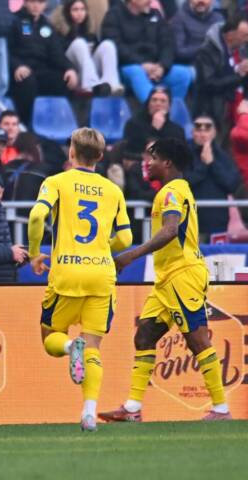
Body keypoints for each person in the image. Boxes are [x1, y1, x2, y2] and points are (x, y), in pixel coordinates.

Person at [100, 137, 232, 423]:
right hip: (167, 278)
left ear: (167, 163)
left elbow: (170, 230)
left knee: (197, 340)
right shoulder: (174, 190)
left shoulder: (172, 192)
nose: (147, 163)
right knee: (144, 335)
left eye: (153, 158)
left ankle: (221, 409)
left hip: (182, 275)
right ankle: (132, 408)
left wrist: (131, 255)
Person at [27, 127, 132, 431]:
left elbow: (36, 217)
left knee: (51, 339)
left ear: (71, 152)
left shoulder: (56, 182)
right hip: (102, 275)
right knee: (94, 346)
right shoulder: (113, 190)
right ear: (100, 156)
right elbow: (125, 238)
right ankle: (89, 412)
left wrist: (35, 253)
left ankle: (71, 345)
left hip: (67, 274)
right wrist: (102, 251)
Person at [101, 0, 193, 103]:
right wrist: (142, 64)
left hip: (156, 68)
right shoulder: (114, 16)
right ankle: (153, 110)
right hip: (128, 66)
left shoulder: (155, 14)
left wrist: (163, 66)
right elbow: (116, 46)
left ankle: (171, 112)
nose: (150, 1)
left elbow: (168, 43)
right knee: (136, 72)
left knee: (184, 74)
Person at [9, 0, 79, 126]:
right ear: (24, 3)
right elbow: (6, 51)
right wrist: (17, 66)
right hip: (21, 69)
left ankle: (56, 123)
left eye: (40, 2)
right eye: (32, 2)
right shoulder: (14, 21)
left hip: (41, 69)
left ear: (45, 5)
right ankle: (26, 124)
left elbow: (56, 53)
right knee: (28, 81)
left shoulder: (46, 25)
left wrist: (70, 68)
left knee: (63, 80)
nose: (36, 6)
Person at [186, 115, 241, 239]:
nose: (203, 133)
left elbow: (231, 185)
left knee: (217, 258)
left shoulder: (224, 157)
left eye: (207, 129)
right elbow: (183, 182)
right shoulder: (183, 155)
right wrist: (203, 166)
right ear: (193, 132)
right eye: (198, 129)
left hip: (218, 223)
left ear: (214, 132)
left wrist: (212, 163)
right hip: (189, 222)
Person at [193, 15, 248, 130]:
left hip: (241, 103)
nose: (246, 39)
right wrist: (239, 75)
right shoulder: (207, 53)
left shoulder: (242, 50)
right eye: (244, 35)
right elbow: (209, 84)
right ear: (230, 35)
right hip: (214, 108)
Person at [57, 0, 123, 95]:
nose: (79, 13)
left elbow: (95, 58)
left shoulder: (89, 34)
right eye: (75, 10)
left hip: (89, 70)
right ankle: (92, 85)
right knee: (79, 43)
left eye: (82, 9)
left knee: (107, 45)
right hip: (72, 73)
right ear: (68, 12)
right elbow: (59, 56)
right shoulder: (61, 33)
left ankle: (111, 85)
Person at [122, 86, 186, 153]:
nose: (158, 104)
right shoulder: (133, 125)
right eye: (154, 100)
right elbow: (132, 151)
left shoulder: (177, 130)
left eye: (163, 101)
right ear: (148, 104)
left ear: (169, 107)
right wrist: (154, 130)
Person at [170, 0, 224, 66]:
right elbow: (179, 52)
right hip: (190, 66)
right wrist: (206, 49)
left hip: (216, 65)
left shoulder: (218, 18)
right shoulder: (179, 19)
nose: (201, 1)